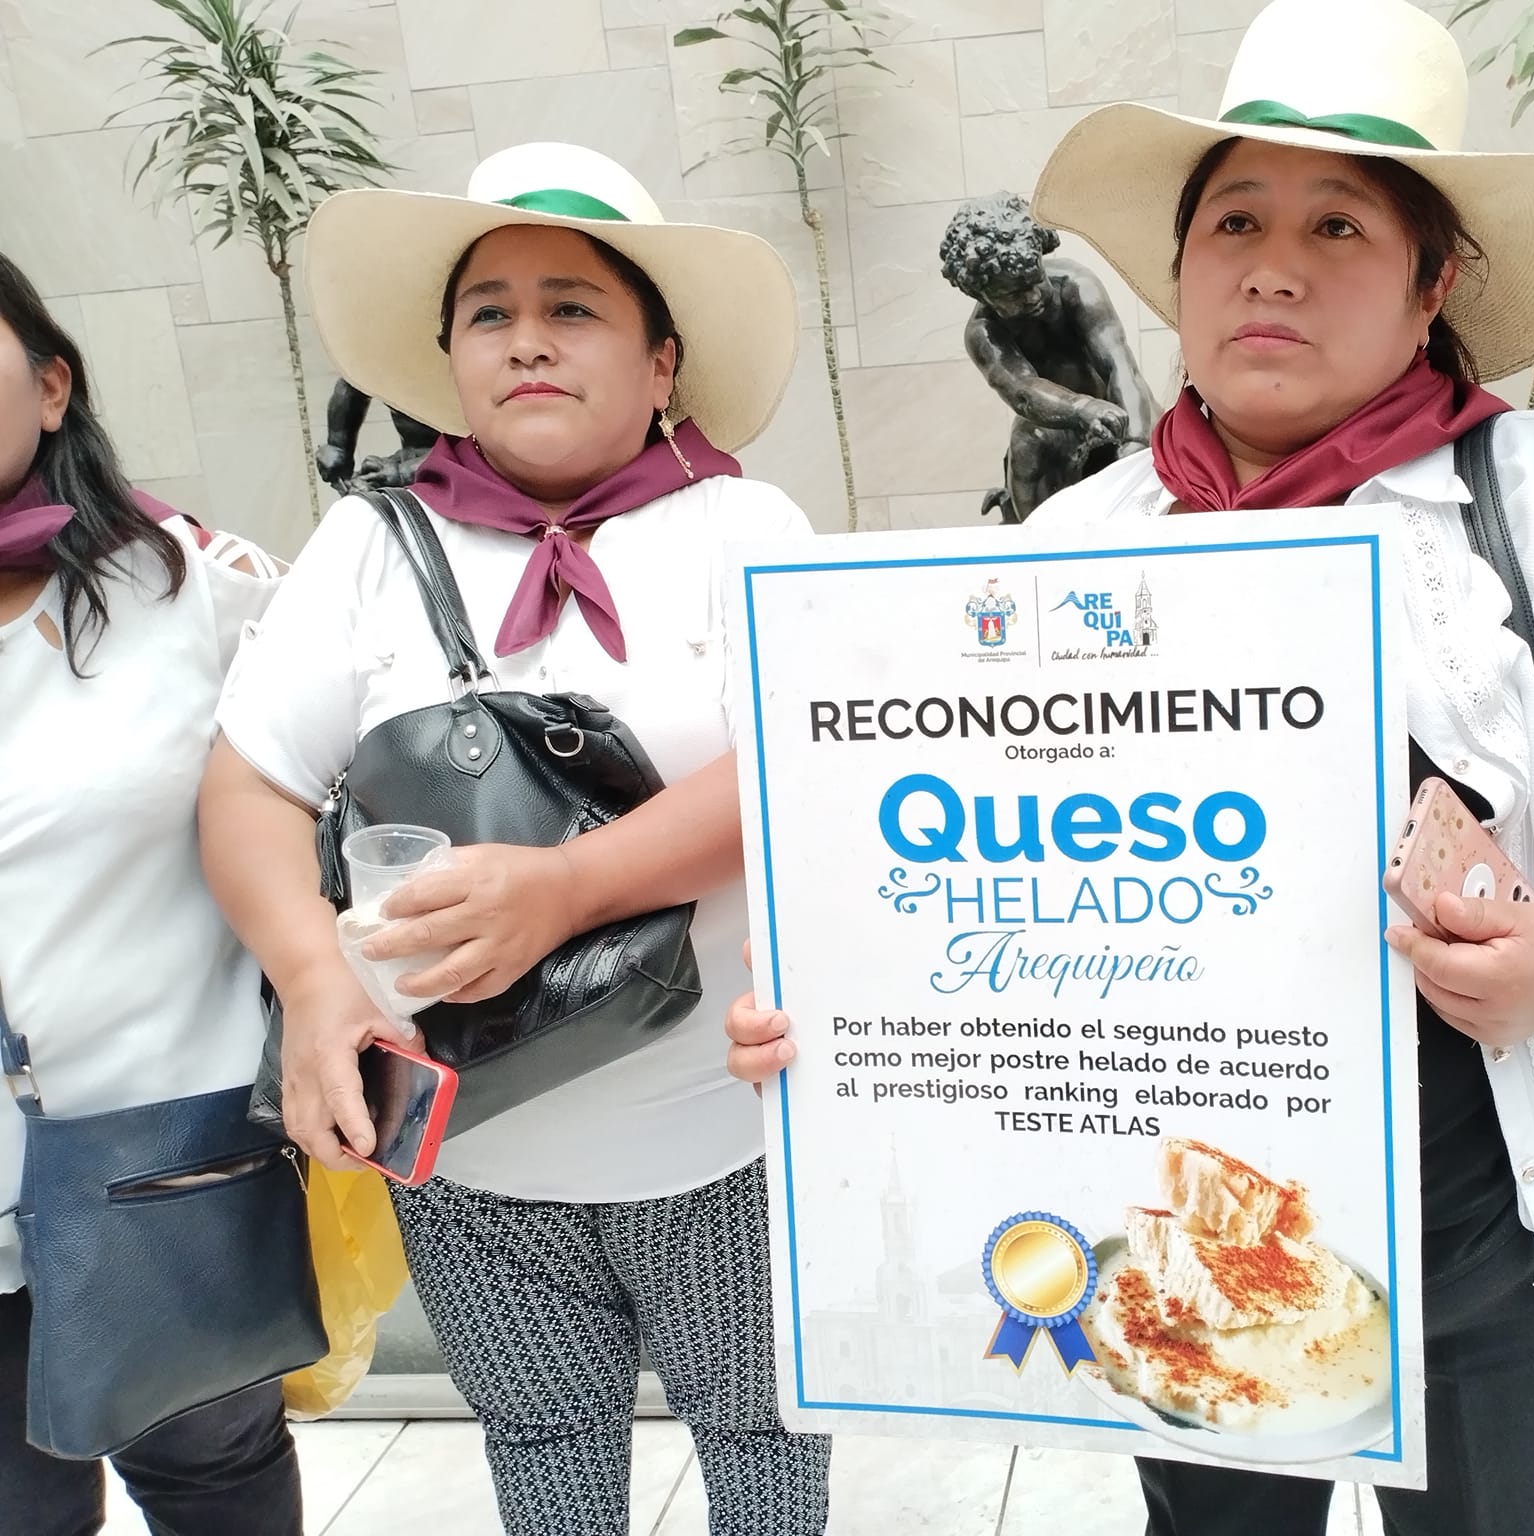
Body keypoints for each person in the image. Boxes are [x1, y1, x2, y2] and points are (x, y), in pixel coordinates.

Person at [726, 1, 1534, 1531]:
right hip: (1188, 1235)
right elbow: (952, 856)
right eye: (1234, 219)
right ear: (1179, 272)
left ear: (1431, 279)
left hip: (1494, 1237)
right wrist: (848, 1023)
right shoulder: (1085, 534)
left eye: (1340, 225)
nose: (1274, 262)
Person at [195, 143, 829, 1536]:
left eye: (573, 307)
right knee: (542, 1454)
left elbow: (803, 759)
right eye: (490, 312)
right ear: (447, 360)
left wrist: (570, 886)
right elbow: (249, 790)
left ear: (662, 362)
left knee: (769, 1444)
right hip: (468, 1151)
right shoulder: (367, 545)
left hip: (726, 1138)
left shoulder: (742, 527)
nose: (526, 340)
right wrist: (312, 987)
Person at [0, 252, 301, 1533]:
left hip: (158, 1171)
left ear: (51, 384)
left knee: (212, 1486)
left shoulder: (196, 586)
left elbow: (344, 799)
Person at [940, 191, 1157, 522]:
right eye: (1013, 294)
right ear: (980, 293)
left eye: (1034, 280)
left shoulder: (1074, 283)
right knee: (1026, 444)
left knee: (1146, 426)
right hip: (1052, 417)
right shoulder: (983, 332)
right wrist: (1080, 409)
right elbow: (1023, 392)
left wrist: (1135, 444)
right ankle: (1036, 550)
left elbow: (1119, 365)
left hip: (1114, 401)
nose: (1033, 297)